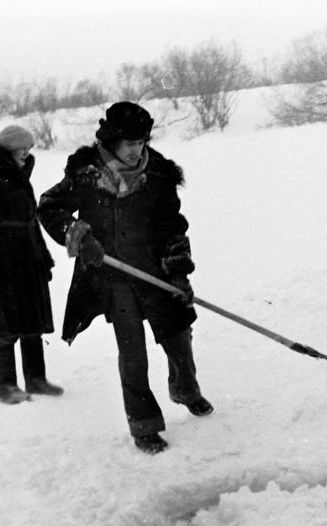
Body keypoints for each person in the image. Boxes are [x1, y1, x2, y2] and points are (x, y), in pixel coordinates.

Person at [37, 102, 212, 454]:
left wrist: (178, 271)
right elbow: (49, 206)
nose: (138, 150)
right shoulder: (86, 173)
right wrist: (79, 236)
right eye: (131, 143)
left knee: (179, 336)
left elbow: (171, 226)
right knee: (132, 352)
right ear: (112, 140)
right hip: (113, 277)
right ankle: (143, 424)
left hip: (154, 269)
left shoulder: (158, 174)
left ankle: (185, 390)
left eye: (143, 142)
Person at [0, 124, 63, 404]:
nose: (27, 154)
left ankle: (35, 380)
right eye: (23, 149)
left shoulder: (20, 176)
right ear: (8, 150)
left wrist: (43, 259)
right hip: (2, 265)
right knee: (5, 326)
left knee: (32, 323)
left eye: (30, 149)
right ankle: (6, 386)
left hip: (28, 261)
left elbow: (31, 222)